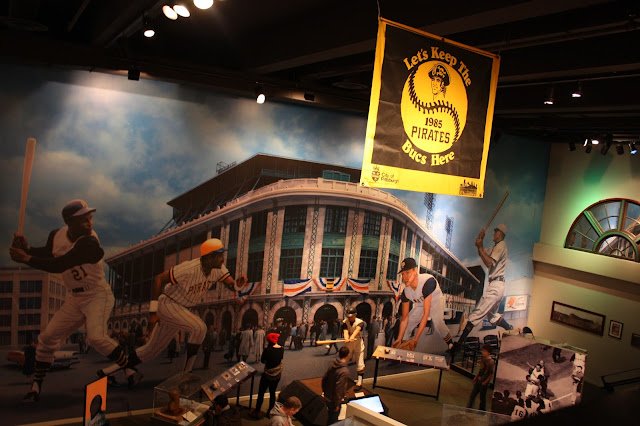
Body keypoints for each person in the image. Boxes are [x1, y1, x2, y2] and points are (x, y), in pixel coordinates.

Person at [9, 200, 130, 401]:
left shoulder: (89, 241)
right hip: (75, 297)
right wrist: (28, 248)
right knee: (47, 338)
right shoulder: (56, 235)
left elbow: (60, 264)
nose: (89, 223)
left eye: (90, 218)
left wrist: (26, 259)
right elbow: (49, 253)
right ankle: (36, 386)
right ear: (69, 222)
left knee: (96, 338)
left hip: (97, 294)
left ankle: (129, 367)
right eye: (83, 220)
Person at [98, 238, 247, 388]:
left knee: (150, 351)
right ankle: (185, 374)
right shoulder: (189, 268)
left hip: (180, 309)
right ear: (209, 257)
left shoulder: (219, 269)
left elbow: (231, 285)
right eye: (219, 254)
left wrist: (237, 285)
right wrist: (153, 313)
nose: (223, 258)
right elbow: (159, 279)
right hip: (168, 303)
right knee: (199, 328)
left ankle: (106, 372)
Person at [457, 225, 513, 346]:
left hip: (496, 285)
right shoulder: (496, 247)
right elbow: (482, 254)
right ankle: (510, 328)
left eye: (496, 231)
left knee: (476, 314)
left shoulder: (501, 245)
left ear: (501, 234)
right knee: (492, 316)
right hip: (497, 284)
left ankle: (459, 344)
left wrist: (480, 246)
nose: (494, 233)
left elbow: (488, 262)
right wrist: (480, 242)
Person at [393, 258, 454, 352]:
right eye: (402, 274)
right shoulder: (406, 291)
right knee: (409, 321)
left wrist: (415, 339)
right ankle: (403, 347)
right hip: (421, 304)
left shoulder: (427, 281)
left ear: (415, 270)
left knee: (438, 322)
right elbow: (404, 317)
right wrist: (399, 338)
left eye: (407, 272)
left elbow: (426, 314)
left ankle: (450, 344)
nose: (404, 277)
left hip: (435, 300)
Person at [250, 333, 284, 418]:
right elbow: (280, 359)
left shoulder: (267, 350)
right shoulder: (281, 349)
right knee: (272, 393)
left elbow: (263, 360)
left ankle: (257, 410)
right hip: (277, 375)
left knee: (261, 392)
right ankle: (270, 412)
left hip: (267, 374)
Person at [322, 346, 351, 425]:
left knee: (329, 417)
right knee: (333, 420)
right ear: (348, 355)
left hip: (327, 396)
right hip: (333, 401)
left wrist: (324, 392)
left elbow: (324, 379)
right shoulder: (344, 371)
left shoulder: (332, 365)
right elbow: (339, 388)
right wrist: (337, 404)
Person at [342, 307, 365, 390]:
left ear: (355, 314)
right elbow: (345, 331)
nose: (349, 317)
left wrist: (351, 337)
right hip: (349, 344)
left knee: (360, 363)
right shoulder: (345, 322)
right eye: (348, 315)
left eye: (351, 316)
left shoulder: (360, 322)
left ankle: (359, 383)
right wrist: (346, 338)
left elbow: (357, 331)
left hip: (358, 342)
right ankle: (341, 379)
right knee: (344, 361)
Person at [467, 344, 494, 411]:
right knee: (472, 395)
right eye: (482, 351)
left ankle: (482, 410)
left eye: (484, 351)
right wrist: (476, 378)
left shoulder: (491, 362)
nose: (482, 352)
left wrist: (485, 382)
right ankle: (469, 408)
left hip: (483, 383)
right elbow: (480, 370)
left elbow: (491, 374)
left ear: (488, 352)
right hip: (478, 381)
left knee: (482, 398)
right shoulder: (483, 359)